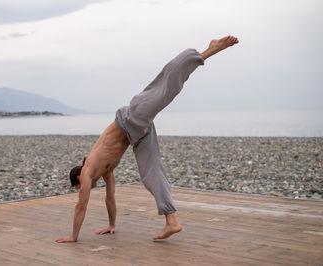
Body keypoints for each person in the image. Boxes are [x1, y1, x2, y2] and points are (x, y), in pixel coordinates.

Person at [56, 35, 239, 243]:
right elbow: (110, 198)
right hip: (138, 134)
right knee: (151, 173)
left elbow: (82, 205)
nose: (82, 191)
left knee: (166, 87)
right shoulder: (104, 172)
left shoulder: (88, 171)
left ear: (78, 179)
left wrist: (73, 236)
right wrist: (112, 225)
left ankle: (208, 51)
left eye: (78, 188)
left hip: (131, 117)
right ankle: (172, 221)